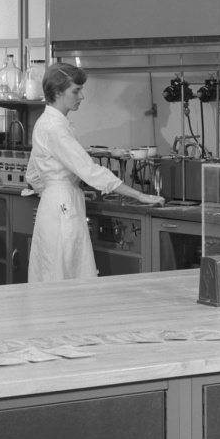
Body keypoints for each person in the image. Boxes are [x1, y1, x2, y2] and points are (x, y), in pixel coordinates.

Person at [24, 63, 162, 283]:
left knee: (51, 273)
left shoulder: (45, 123)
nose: (82, 96)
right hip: (63, 210)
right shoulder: (56, 128)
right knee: (67, 276)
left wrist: (64, 187)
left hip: (51, 206)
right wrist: (138, 195)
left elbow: (32, 175)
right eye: (76, 91)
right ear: (58, 92)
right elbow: (90, 171)